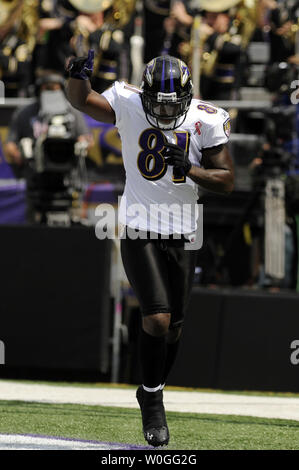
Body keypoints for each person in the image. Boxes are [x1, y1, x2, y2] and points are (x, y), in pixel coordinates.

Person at [65, 51, 234, 447]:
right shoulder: (126, 100)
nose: (161, 109)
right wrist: (77, 75)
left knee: (174, 327)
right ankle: (154, 402)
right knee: (157, 319)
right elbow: (81, 100)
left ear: (188, 96)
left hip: (185, 232)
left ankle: (151, 388)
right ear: (144, 95)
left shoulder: (205, 118)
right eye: (155, 101)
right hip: (139, 226)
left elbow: (227, 180)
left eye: (169, 103)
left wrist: (189, 168)